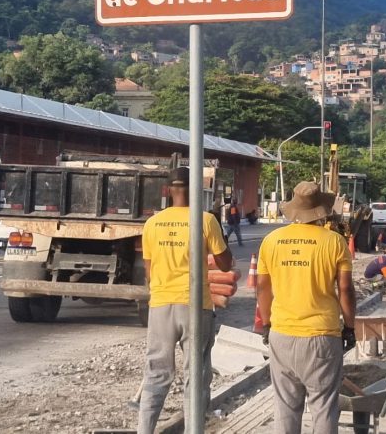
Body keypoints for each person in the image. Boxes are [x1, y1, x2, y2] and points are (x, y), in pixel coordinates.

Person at [137, 167, 234, 434]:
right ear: (195, 190)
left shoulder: (152, 224)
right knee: (196, 375)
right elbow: (225, 264)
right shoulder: (205, 220)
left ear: (167, 191)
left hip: (160, 305)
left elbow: (148, 271)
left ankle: (144, 430)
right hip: (195, 306)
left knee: (156, 372)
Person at [257, 181, 356, 434]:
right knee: (323, 406)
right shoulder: (335, 242)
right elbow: (345, 290)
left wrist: (267, 324)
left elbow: (262, 289)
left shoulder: (271, 241)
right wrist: (350, 327)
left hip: (282, 335)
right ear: (321, 210)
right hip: (322, 336)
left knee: (286, 409)